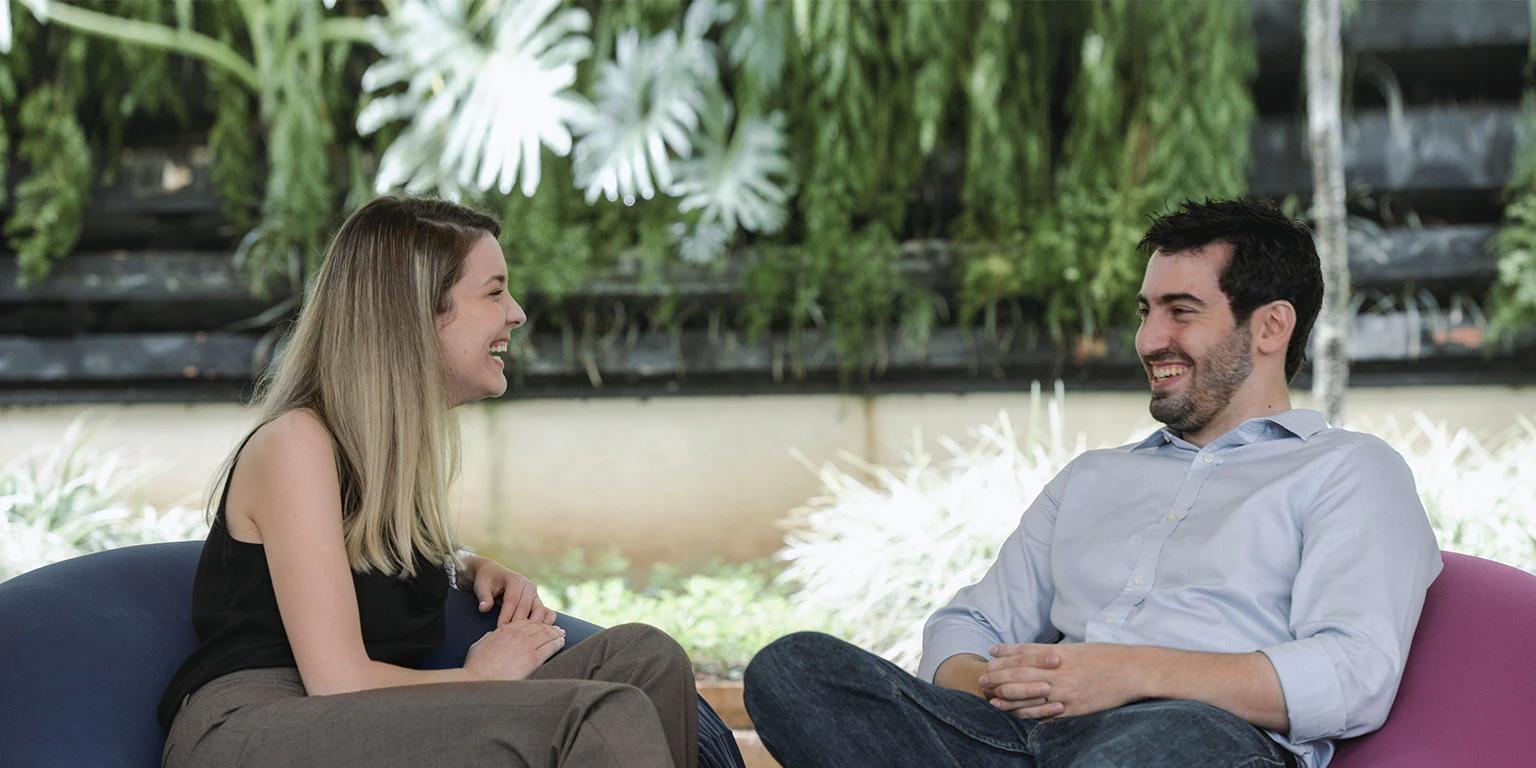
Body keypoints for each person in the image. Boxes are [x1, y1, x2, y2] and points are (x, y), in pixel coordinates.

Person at [743, 199, 1442, 768]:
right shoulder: (1095, 479)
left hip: (1195, 740)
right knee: (796, 669)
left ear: (1270, 326)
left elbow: (1353, 673)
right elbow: (969, 623)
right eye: (1146, 311)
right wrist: (999, 685)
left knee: (1154, 749)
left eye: (1181, 310)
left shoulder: (1347, 470)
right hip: (1015, 739)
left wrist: (1131, 673)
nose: (1148, 340)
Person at [159, 196, 698, 768]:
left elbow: (355, 557)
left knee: (646, 660)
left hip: (370, 718)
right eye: (493, 292)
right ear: (414, 314)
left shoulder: (387, 454)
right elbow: (338, 681)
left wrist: (460, 563)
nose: (515, 313)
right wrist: (476, 678)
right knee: (593, 715)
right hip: (257, 730)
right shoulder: (297, 443)